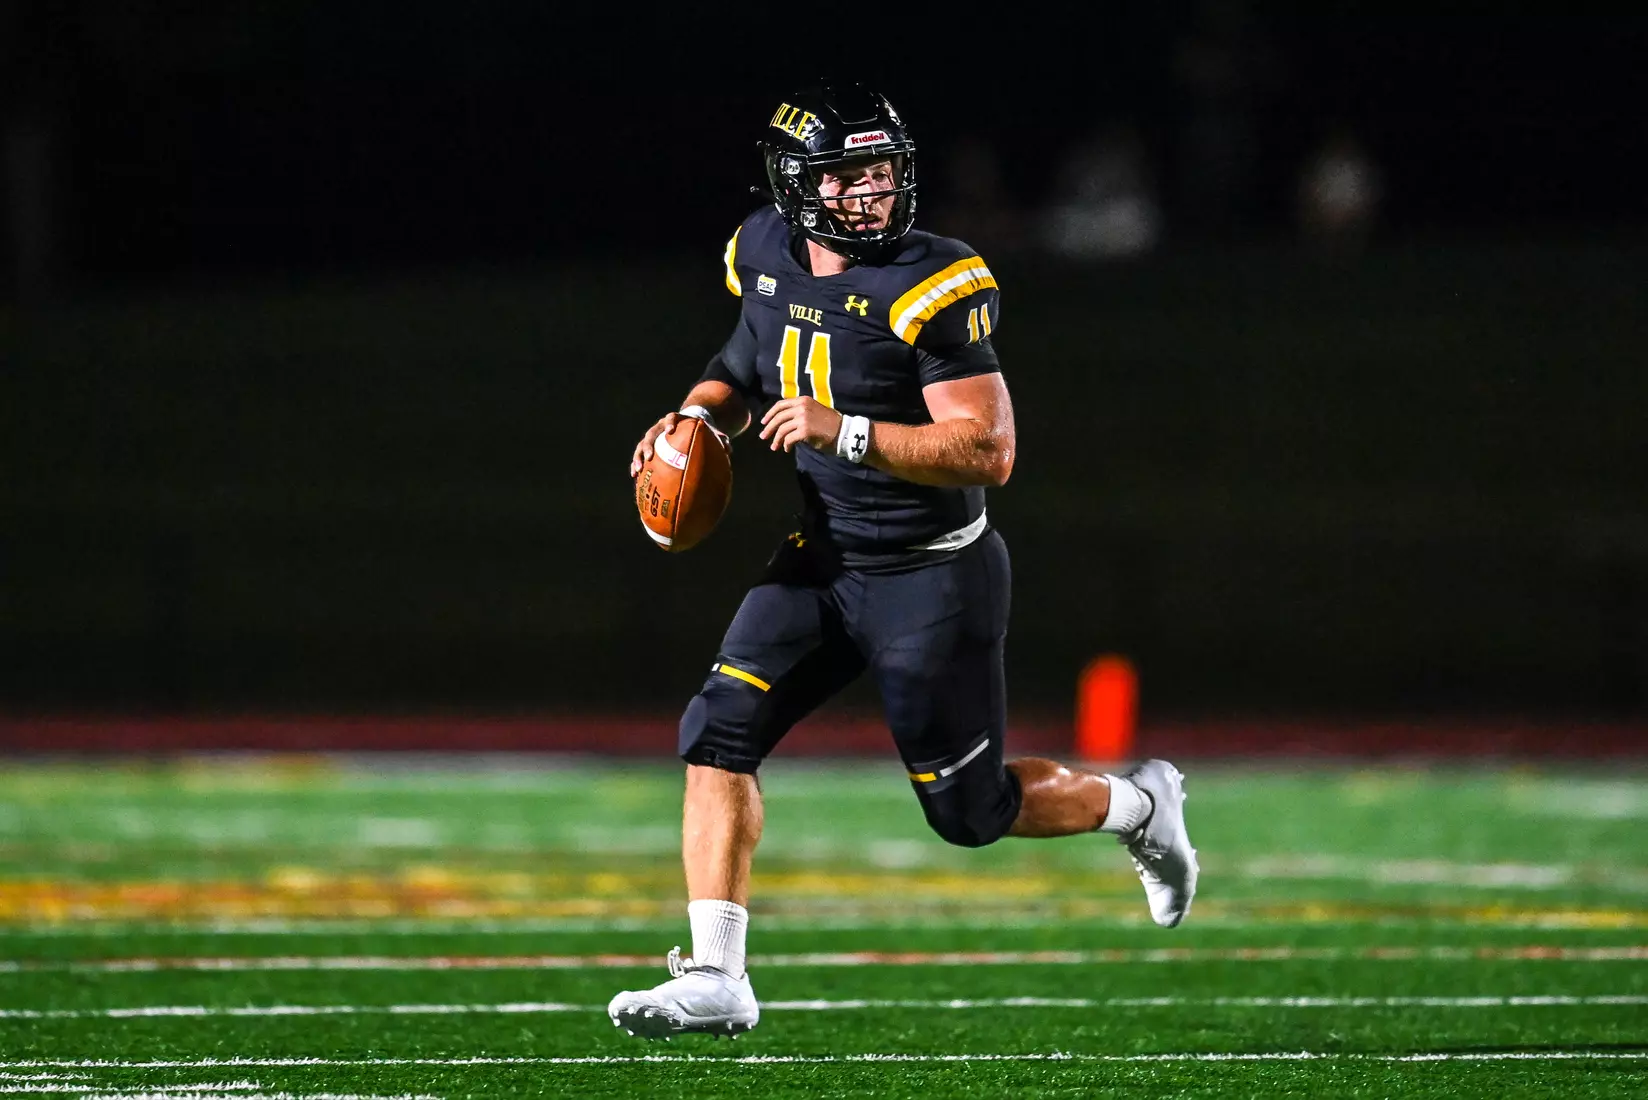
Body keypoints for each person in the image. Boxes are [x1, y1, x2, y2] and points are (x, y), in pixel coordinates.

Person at [611, 83, 1199, 1041]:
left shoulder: (933, 282)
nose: (874, 193)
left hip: (932, 576)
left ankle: (1139, 803)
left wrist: (845, 433)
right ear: (798, 186)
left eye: (884, 172)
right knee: (715, 732)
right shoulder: (761, 250)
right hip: (822, 561)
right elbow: (741, 355)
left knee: (971, 812)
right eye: (851, 177)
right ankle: (719, 974)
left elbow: (988, 450)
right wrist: (693, 416)